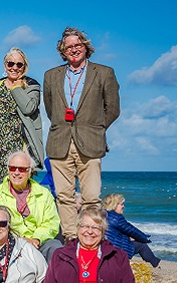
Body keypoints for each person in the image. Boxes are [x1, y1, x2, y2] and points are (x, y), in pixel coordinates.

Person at [43, 27, 120, 241]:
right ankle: (70, 237)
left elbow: (112, 108)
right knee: (64, 196)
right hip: (60, 142)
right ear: (62, 50)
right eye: (69, 47)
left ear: (85, 47)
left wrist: (95, 128)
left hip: (91, 142)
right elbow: (51, 110)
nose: (74, 50)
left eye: (78, 45)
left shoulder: (104, 73)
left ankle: (90, 236)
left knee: (91, 197)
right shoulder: (51, 75)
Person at [0, 47, 44, 190]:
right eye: (10, 63)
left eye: (19, 64)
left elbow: (28, 108)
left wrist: (16, 88)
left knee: (19, 199)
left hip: (19, 151)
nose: (14, 68)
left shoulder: (31, 86)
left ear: (24, 67)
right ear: (5, 65)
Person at [0, 151, 62, 262]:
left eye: (21, 169)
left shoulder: (44, 194)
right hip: (10, 243)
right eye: (12, 168)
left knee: (55, 246)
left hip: (39, 243)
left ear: (30, 171)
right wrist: (20, 240)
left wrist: (37, 239)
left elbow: (51, 223)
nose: (16, 173)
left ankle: (53, 279)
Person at [103, 194, 161, 268]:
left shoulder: (102, 215)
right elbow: (132, 231)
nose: (123, 206)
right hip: (115, 251)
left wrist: (128, 237)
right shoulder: (116, 218)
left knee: (132, 241)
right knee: (141, 245)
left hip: (104, 247)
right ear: (114, 205)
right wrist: (146, 239)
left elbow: (114, 232)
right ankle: (156, 265)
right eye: (121, 204)